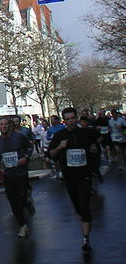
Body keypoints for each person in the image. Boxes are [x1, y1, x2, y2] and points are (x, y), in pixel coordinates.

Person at [48, 107, 99, 253]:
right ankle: (84, 220)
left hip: (85, 175)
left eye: (73, 118)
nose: (71, 121)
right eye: (68, 119)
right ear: (64, 120)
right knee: (78, 206)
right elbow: (51, 154)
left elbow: (95, 144)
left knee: (84, 206)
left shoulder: (86, 133)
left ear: (76, 118)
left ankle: (85, 237)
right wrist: (60, 147)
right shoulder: (59, 135)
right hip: (69, 177)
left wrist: (94, 151)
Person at [0, 117, 34, 237]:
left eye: (5, 124)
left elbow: (30, 147)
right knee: (12, 201)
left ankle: (27, 202)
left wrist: (25, 157)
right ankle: (23, 226)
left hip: (21, 173)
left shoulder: (19, 137)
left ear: (10, 126)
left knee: (21, 199)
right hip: (8, 174)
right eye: (1, 124)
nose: (3, 126)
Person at [45, 115, 66, 179]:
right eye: (51, 120)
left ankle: (63, 172)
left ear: (57, 120)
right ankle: (58, 173)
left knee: (62, 160)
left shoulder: (63, 127)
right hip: (54, 146)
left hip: (62, 146)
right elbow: (47, 138)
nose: (51, 121)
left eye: (53, 119)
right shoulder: (50, 129)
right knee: (55, 160)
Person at [109, 109, 126, 174]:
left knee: (124, 153)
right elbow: (109, 127)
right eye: (113, 115)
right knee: (118, 151)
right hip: (114, 138)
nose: (114, 116)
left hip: (122, 138)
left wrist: (121, 127)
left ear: (117, 114)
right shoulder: (110, 121)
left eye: (115, 115)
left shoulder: (122, 120)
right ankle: (120, 166)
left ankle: (124, 164)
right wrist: (109, 129)